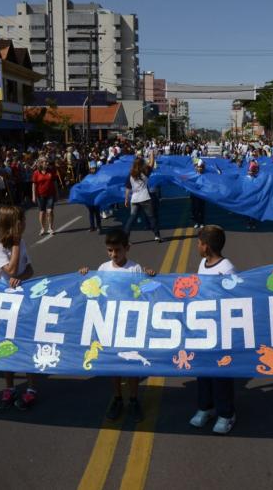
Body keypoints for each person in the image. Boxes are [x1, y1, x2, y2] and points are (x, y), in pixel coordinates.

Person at [79, 230, 156, 422]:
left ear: (127, 248)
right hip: (109, 323)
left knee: (131, 364)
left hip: (129, 325)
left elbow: (145, 291)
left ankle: (133, 399)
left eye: (118, 250)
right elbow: (95, 289)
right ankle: (118, 398)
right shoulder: (103, 268)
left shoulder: (135, 269)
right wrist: (84, 275)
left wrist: (151, 276)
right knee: (114, 364)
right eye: (110, 250)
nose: (114, 254)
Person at [189, 225, 238, 434]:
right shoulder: (203, 263)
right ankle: (205, 408)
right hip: (203, 328)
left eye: (199, 243)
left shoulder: (227, 268)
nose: (197, 247)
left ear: (206, 247)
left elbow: (236, 296)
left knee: (220, 374)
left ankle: (227, 414)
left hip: (221, 331)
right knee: (203, 372)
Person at [0, 206, 37, 410]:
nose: (25, 224)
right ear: (12, 224)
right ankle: (9, 387)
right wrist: (15, 243)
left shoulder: (22, 242)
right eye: (21, 220)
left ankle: (32, 388)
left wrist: (19, 279)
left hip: (22, 303)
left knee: (25, 344)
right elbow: (11, 269)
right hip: (3, 305)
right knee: (4, 346)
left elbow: (28, 270)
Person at [123, 157, 162, 242]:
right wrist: (152, 153)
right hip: (145, 198)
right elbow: (151, 163)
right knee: (151, 217)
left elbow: (128, 188)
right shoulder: (145, 172)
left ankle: (125, 238)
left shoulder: (131, 174)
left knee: (132, 218)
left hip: (134, 199)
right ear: (142, 165)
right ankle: (157, 235)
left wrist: (126, 199)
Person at [32, 158, 57, 236]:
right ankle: (43, 228)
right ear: (40, 163)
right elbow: (34, 184)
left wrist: (57, 193)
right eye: (45, 162)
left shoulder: (51, 171)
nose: (47, 163)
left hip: (50, 194)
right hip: (40, 195)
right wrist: (33, 195)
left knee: (50, 211)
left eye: (47, 161)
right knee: (42, 212)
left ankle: (51, 228)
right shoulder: (36, 173)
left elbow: (55, 182)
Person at [191, 159, 207, 229]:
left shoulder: (206, 175)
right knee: (195, 208)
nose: (200, 168)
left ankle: (202, 222)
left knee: (201, 208)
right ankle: (196, 222)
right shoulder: (193, 174)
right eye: (198, 167)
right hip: (194, 195)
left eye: (201, 167)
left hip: (202, 195)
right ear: (196, 167)